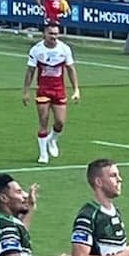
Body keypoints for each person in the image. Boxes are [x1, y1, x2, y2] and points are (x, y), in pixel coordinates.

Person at [22, 24, 80, 164]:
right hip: (43, 89)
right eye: (51, 34)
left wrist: (76, 89)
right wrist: (26, 91)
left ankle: (53, 139)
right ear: (44, 34)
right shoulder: (36, 50)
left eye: (56, 34)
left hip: (59, 90)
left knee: (60, 122)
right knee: (43, 121)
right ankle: (43, 154)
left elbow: (71, 69)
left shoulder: (64, 49)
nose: (54, 37)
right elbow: (30, 71)